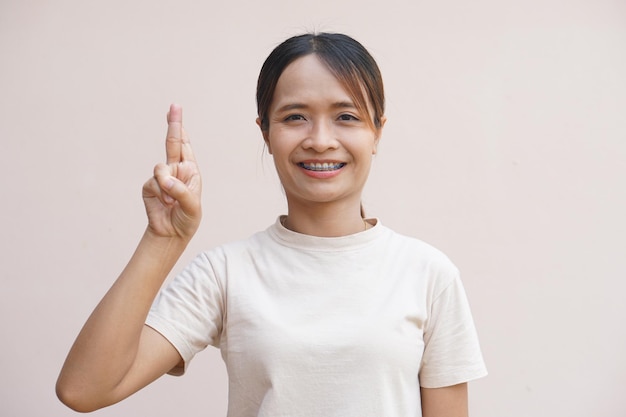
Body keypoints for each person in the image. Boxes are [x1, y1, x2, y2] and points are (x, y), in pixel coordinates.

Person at [56, 32, 487, 417]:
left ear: (377, 132)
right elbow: (83, 390)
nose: (320, 139)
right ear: (265, 132)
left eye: (347, 116)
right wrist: (162, 239)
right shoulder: (225, 274)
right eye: (295, 116)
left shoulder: (428, 273)